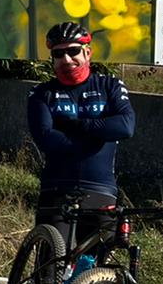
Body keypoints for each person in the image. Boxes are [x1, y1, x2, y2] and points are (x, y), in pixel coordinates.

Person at [27, 20, 135, 250]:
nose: (66, 59)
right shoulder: (42, 93)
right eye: (58, 54)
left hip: (101, 189)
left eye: (73, 51)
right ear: (52, 59)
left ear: (88, 53)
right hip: (56, 188)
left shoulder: (110, 86)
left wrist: (79, 126)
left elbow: (125, 127)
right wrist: (99, 136)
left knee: (97, 265)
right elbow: (46, 139)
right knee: (51, 265)